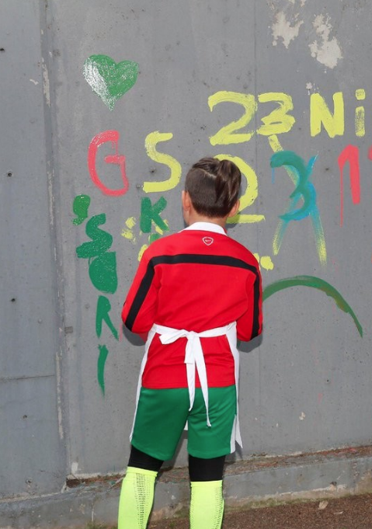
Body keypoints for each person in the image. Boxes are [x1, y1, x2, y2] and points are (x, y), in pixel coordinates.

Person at [118, 157, 264, 529]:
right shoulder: (247, 262)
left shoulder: (159, 253)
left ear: (184, 200)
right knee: (208, 481)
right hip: (216, 382)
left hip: (165, 376)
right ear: (234, 208)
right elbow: (249, 330)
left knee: (141, 472)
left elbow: (133, 321)